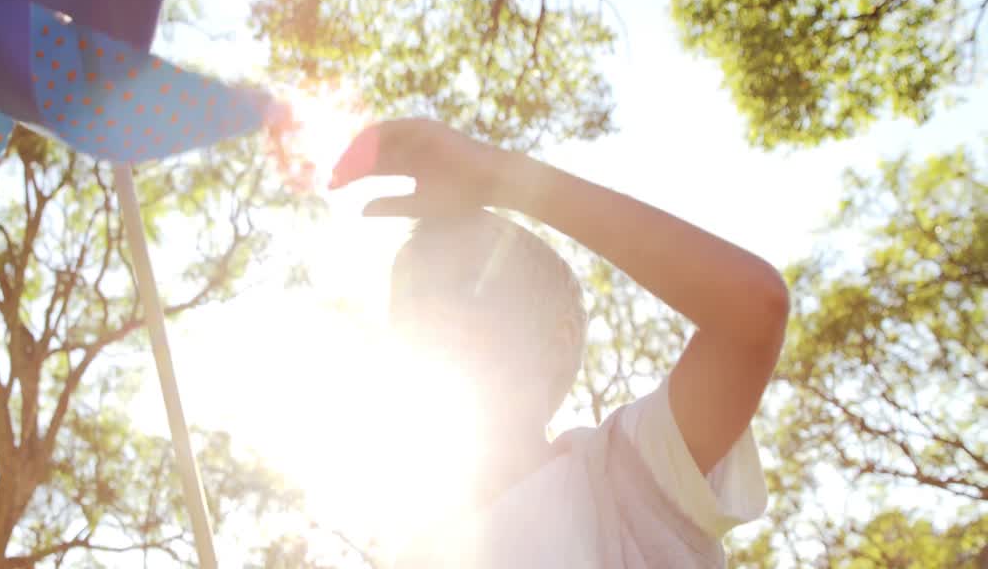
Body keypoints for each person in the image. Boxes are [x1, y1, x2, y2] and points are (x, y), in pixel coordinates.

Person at [328, 118, 789, 567]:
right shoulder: (420, 553)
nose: (427, 318)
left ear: (557, 341)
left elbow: (750, 310)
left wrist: (505, 178)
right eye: (407, 306)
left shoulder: (623, 477)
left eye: (467, 288)